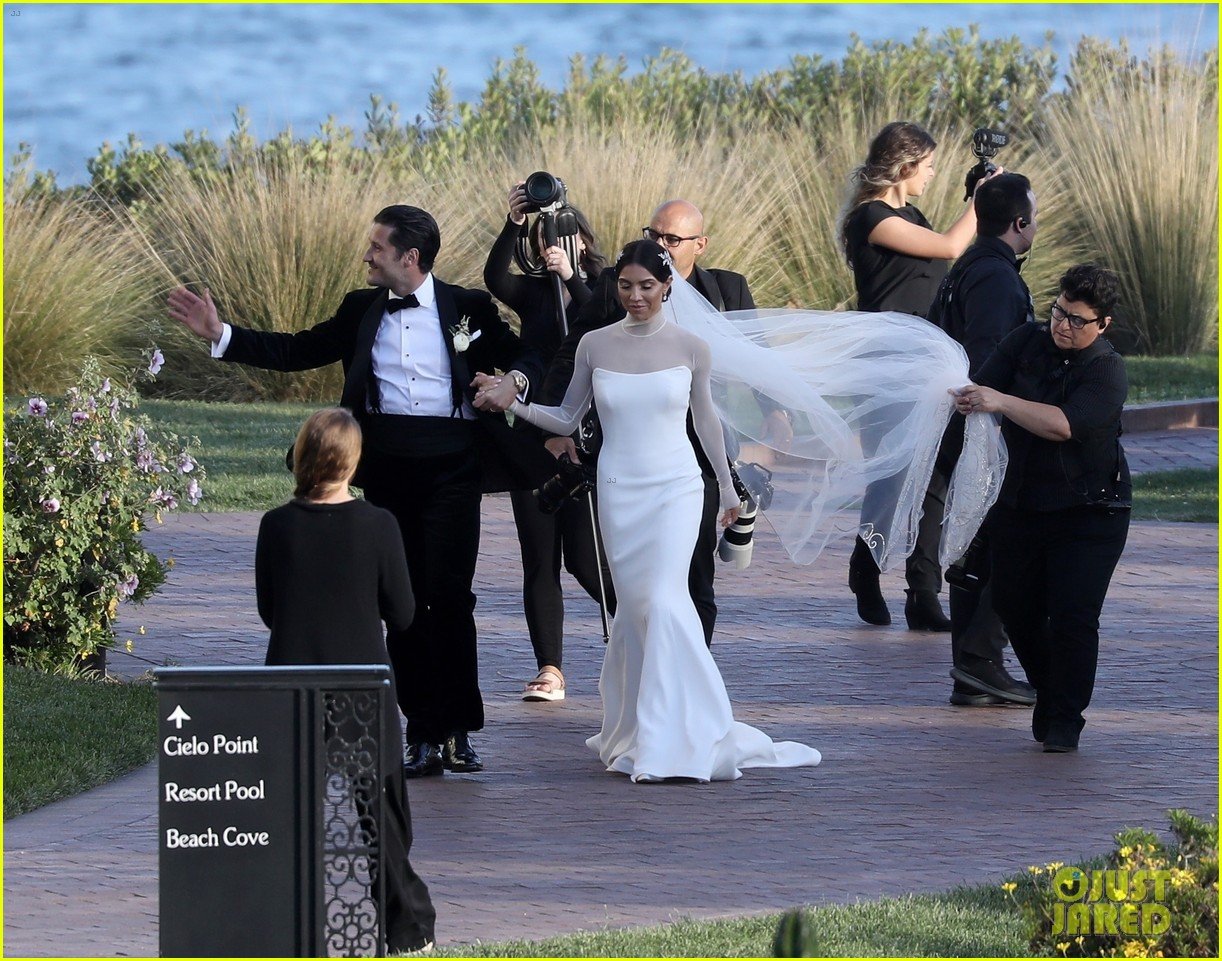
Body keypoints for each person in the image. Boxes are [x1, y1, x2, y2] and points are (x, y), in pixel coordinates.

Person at [168, 204, 549, 779]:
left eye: (377, 246)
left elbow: (528, 352)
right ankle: (420, 730)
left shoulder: (465, 307)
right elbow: (297, 350)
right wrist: (221, 335)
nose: (368, 255)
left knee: (450, 596)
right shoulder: (360, 308)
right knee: (402, 601)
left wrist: (512, 381)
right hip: (388, 465)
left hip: (453, 466)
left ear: (409, 257)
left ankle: (459, 729)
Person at [475, 240, 821, 782]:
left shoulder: (691, 346)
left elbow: (707, 424)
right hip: (619, 488)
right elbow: (567, 419)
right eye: (626, 286)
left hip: (677, 487)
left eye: (647, 286)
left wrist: (729, 491)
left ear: (667, 287)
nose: (635, 296)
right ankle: (638, 727)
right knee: (635, 609)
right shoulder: (594, 344)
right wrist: (513, 402)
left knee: (664, 600)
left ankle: (682, 733)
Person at [540, 199, 790, 647]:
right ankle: (646, 639)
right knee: (607, 564)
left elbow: (758, 354)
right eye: (653, 234)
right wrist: (557, 427)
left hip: (697, 451)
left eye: (671, 239)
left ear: (700, 245)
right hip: (626, 452)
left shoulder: (727, 289)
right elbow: (572, 353)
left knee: (694, 569)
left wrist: (775, 409)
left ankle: (691, 671)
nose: (659, 244)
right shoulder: (618, 286)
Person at [255, 408, 435, 953]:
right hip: (361, 686)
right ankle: (406, 927)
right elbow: (402, 613)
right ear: (352, 465)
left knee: (290, 813)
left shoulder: (275, 525)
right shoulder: (378, 524)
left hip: (291, 681)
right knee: (379, 812)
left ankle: (286, 923)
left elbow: (270, 611)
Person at [952, 265, 1130, 752]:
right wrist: (960, 394)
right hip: (1021, 505)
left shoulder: (1106, 369)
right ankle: (1052, 693)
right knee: (1015, 606)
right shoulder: (1026, 341)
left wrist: (1001, 402)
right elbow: (979, 388)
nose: (1062, 325)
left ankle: (1064, 720)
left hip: (1090, 513)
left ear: (1103, 325)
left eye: (1077, 320)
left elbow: (1063, 425)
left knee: (1073, 614)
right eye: (1059, 312)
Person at [839, 121, 995, 631]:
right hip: (886, 360)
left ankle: (922, 592)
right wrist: (982, 198)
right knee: (891, 475)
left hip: (929, 358)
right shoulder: (871, 218)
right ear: (904, 165)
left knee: (935, 474)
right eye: (927, 166)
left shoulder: (912, 213)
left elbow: (948, 254)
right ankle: (866, 567)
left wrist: (977, 201)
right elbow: (949, 247)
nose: (931, 175)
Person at [483, 183, 615, 702]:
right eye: (542, 240)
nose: (551, 246)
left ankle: (637, 632)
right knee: (539, 556)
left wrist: (573, 277)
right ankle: (551, 669)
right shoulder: (534, 293)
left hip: (584, 435)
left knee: (585, 558)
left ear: (582, 238)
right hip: (533, 432)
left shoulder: (606, 287)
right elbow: (494, 279)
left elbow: (603, 325)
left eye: (562, 235)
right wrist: (512, 224)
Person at [927, 172, 1040, 708]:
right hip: (983, 429)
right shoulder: (995, 276)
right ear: (1020, 223)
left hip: (966, 424)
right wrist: (1004, 409)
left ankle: (974, 669)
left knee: (978, 542)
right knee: (997, 544)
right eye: (1032, 217)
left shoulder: (967, 267)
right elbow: (990, 355)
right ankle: (979, 661)